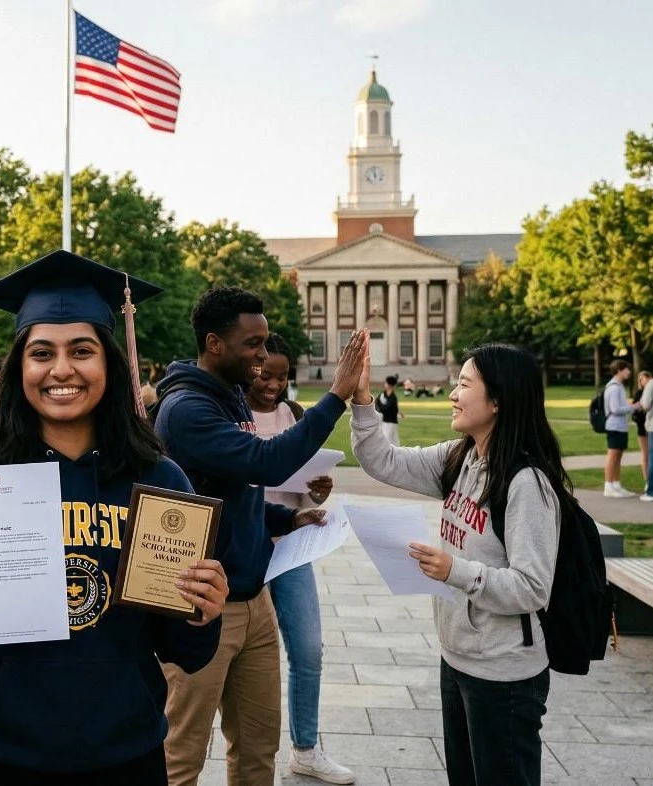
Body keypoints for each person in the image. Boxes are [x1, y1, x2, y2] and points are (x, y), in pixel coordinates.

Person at [0, 250, 228, 785]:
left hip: (124, 754)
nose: (61, 369)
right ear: (19, 368)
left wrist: (202, 612)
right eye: (41, 353)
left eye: (81, 350)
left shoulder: (158, 482)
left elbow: (184, 651)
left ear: (109, 363)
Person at [153, 285, 367, 786]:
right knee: (181, 757)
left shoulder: (231, 398)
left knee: (257, 750)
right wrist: (336, 396)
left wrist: (286, 520)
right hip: (203, 606)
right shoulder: (186, 409)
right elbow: (265, 463)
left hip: (255, 600)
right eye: (253, 343)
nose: (263, 355)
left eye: (265, 342)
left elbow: (235, 494)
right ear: (214, 343)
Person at [350, 343, 562, 786]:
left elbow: (532, 588)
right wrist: (363, 400)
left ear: (497, 400)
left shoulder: (527, 484)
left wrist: (454, 571)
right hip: (457, 657)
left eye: (464, 384)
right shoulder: (460, 457)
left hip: (503, 673)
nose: (452, 393)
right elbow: (382, 461)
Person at [245, 333, 354, 784]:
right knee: (239, 658)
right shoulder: (229, 413)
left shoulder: (293, 415)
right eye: (265, 374)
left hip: (291, 548)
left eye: (282, 376)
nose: (273, 384)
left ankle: (305, 749)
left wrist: (318, 491)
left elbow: (305, 488)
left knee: (308, 649)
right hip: (246, 548)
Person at [603, 359, 640, 498]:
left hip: (620, 427)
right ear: (619, 370)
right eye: (626, 369)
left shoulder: (619, 386)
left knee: (618, 456)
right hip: (614, 426)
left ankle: (616, 485)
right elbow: (615, 409)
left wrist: (628, 406)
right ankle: (608, 487)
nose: (629, 372)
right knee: (613, 456)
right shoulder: (613, 387)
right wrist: (633, 407)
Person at [375, 374, 404, 446]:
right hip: (384, 421)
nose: (384, 384)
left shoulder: (393, 398)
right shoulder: (383, 394)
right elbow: (377, 402)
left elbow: (386, 409)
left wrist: (378, 404)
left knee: (387, 442)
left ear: (389, 385)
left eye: (386, 382)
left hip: (390, 422)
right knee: (394, 442)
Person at [638, 370, 653, 503]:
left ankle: (651, 491)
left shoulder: (650, 384)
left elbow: (645, 404)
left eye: (641, 380)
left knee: (651, 458)